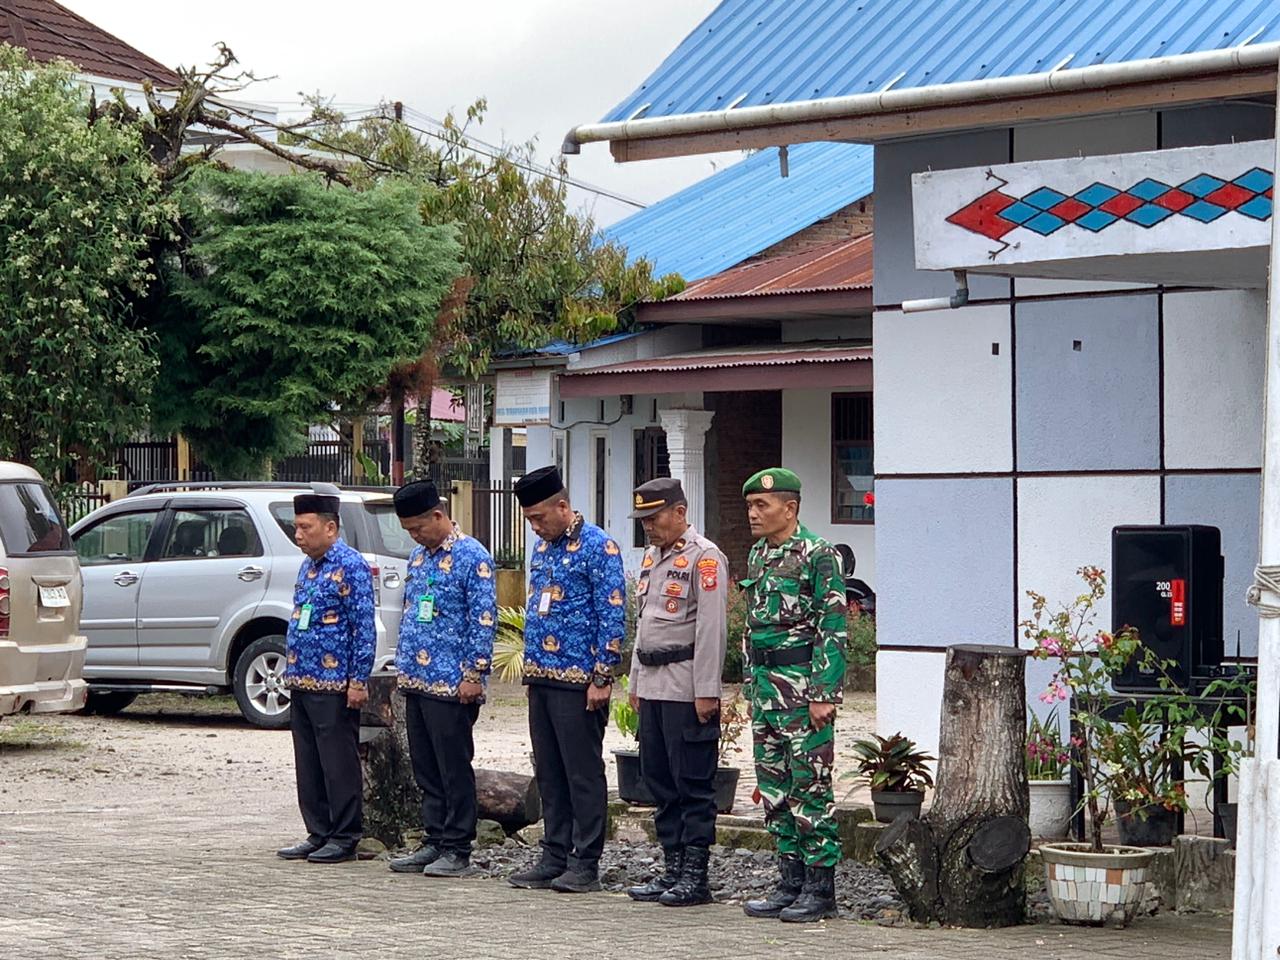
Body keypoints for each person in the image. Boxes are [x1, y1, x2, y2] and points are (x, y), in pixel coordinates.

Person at [507, 465, 625, 894]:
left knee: (582, 772)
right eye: (529, 520)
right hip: (541, 676)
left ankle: (585, 860)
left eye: (539, 517)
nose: (535, 527)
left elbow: (612, 614)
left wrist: (602, 675)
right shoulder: (542, 549)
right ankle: (553, 854)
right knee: (549, 771)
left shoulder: (598, 547)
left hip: (580, 680)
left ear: (562, 506)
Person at [738, 469, 847, 922]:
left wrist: (824, 694)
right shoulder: (759, 554)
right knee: (774, 788)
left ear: (790, 508)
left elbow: (832, 626)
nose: (753, 514)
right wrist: (750, 686)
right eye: (750, 506)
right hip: (766, 691)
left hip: (803, 692)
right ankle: (790, 882)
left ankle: (820, 890)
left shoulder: (819, 555)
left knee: (810, 787)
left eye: (761, 506)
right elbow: (753, 627)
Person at [623, 478, 728, 908]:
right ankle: (672, 868)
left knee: (692, 783)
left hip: (685, 686)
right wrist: (634, 682)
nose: (648, 526)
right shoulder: (652, 557)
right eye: (643, 520)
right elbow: (644, 623)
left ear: (680, 512)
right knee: (659, 780)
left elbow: (711, 629)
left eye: (654, 517)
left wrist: (707, 690)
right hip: (652, 684)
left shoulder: (705, 557)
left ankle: (695, 876)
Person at [386, 480, 497, 878]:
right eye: (408, 531)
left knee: (453, 767)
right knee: (425, 767)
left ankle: (457, 846)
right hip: (417, 679)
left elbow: (483, 620)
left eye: (418, 528)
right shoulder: (419, 558)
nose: (414, 536)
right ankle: (433, 839)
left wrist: (474, 673)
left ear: (438, 515)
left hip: (452, 683)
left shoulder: (472, 556)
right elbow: (412, 613)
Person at [276, 492, 376, 864]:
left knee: (337, 761)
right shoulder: (309, 566)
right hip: (302, 677)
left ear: (330, 528)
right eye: (296, 527)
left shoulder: (350, 565)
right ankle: (318, 831)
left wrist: (358, 679)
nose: (298, 535)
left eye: (306, 527)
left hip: (335, 683)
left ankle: (345, 835)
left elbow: (363, 626)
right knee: (309, 761)